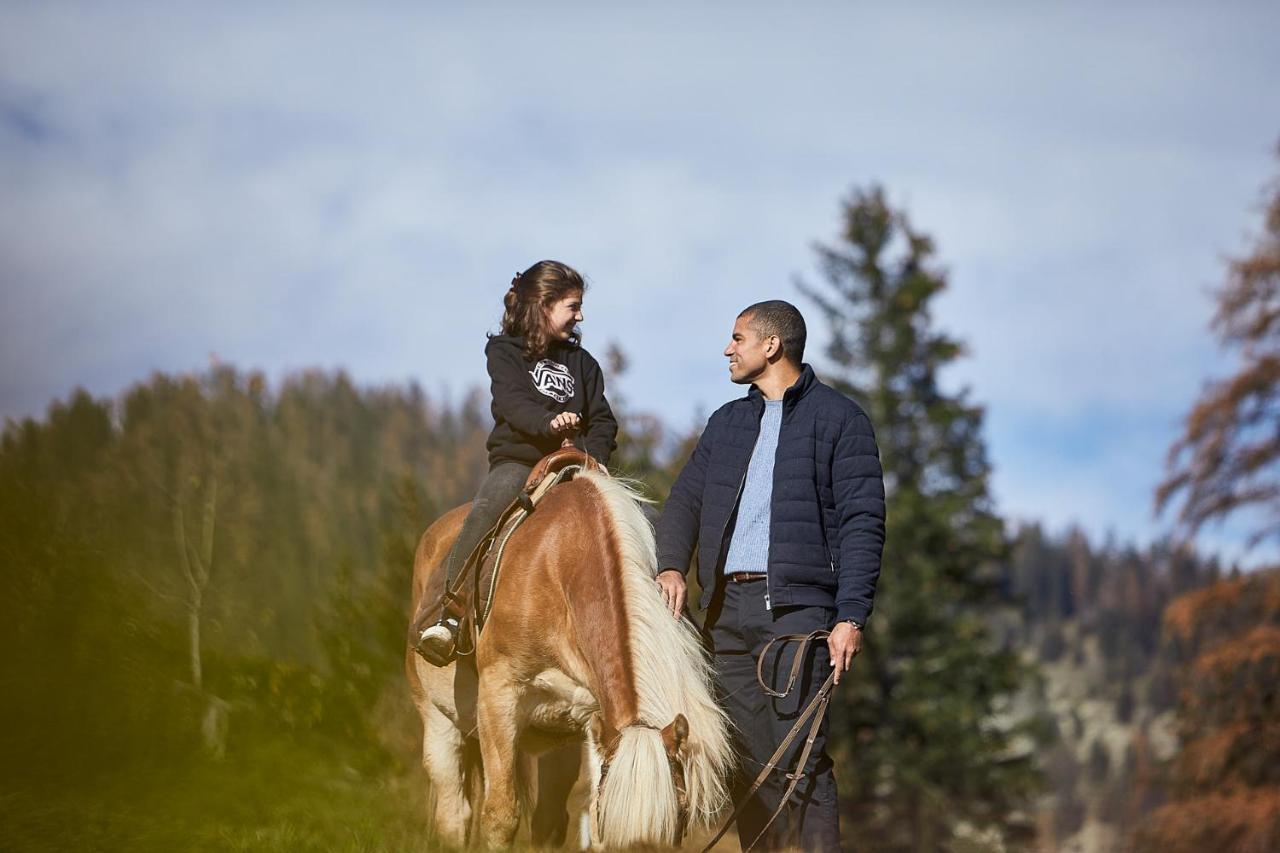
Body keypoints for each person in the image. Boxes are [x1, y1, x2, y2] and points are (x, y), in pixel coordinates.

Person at [654, 300, 885, 851]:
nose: (728, 349)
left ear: (772, 345)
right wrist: (669, 565)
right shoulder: (727, 423)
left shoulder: (839, 420)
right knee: (746, 767)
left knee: (800, 760)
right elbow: (685, 500)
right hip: (725, 619)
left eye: (737, 338)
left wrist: (850, 615)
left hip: (797, 616)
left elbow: (863, 522)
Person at [412, 260, 617, 666]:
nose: (580, 315)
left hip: (577, 467)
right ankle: (446, 616)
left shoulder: (584, 364)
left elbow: (604, 420)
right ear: (543, 305)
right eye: (572, 306)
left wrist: (595, 458)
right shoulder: (504, 352)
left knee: (634, 518)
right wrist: (547, 422)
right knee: (485, 512)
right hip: (520, 462)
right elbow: (512, 403)